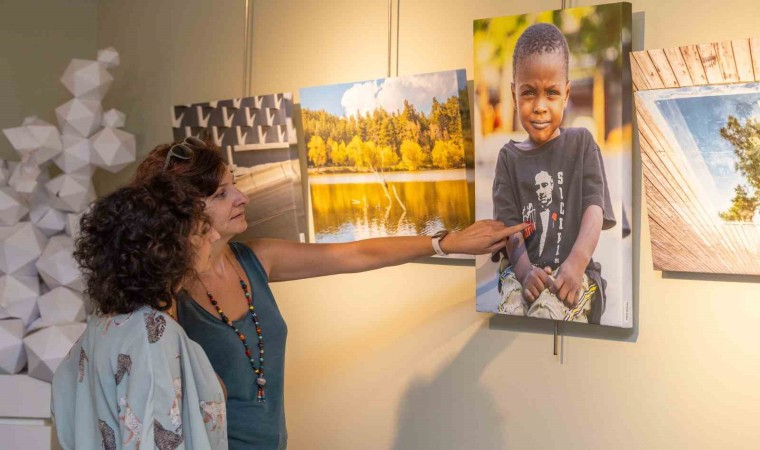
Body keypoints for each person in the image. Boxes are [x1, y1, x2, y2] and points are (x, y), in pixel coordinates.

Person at [133, 136, 528, 450]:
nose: (242, 197)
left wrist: (449, 243)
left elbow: (355, 252)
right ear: (184, 210)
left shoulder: (256, 259)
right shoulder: (166, 300)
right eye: (222, 194)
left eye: (234, 185)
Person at [52, 175, 228, 450]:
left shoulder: (102, 324)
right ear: (167, 248)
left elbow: (65, 412)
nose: (214, 236)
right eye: (201, 231)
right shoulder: (152, 335)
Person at [492, 22, 616, 324]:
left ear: (567, 93)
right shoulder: (507, 158)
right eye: (528, 93)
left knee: (548, 314)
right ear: (513, 94)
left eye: (551, 93)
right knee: (512, 316)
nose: (539, 107)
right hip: (522, 272)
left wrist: (575, 264)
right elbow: (510, 230)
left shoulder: (582, 143)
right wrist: (524, 271)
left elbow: (594, 210)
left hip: (576, 274)